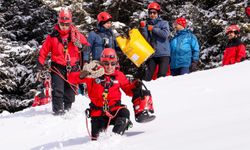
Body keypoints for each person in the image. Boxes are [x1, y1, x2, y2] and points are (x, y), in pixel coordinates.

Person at [69, 48, 141, 140]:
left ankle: (115, 139)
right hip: (97, 114)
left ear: (116, 63)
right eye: (106, 63)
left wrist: (136, 86)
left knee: (124, 113)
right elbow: (71, 79)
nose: (109, 66)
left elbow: (128, 91)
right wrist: (82, 74)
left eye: (113, 63)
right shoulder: (93, 74)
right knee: (96, 139)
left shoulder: (119, 75)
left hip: (115, 110)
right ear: (102, 63)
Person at [37, 8, 89, 115]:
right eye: (62, 24)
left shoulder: (76, 35)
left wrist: (81, 46)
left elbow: (87, 46)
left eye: (66, 24)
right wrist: (39, 66)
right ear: (58, 22)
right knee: (58, 90)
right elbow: (43, 52)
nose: (64, 26)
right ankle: (58, 112)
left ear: (70, 23)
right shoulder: (52, 37)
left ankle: (68, 110)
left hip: (73, 67)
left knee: (70, 92)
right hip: (58, 67)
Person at [139, 2, 171, 81]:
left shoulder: (164, 23)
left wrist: (153, 29)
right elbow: (145, 39)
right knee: (147, 76)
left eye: (154, 13)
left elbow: (165, 35)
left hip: (163, 54)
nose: (152, 14)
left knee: (162, 76)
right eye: (150, 13)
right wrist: (143, 28)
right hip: (152, 54)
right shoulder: (147, 24)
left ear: (158, 13)